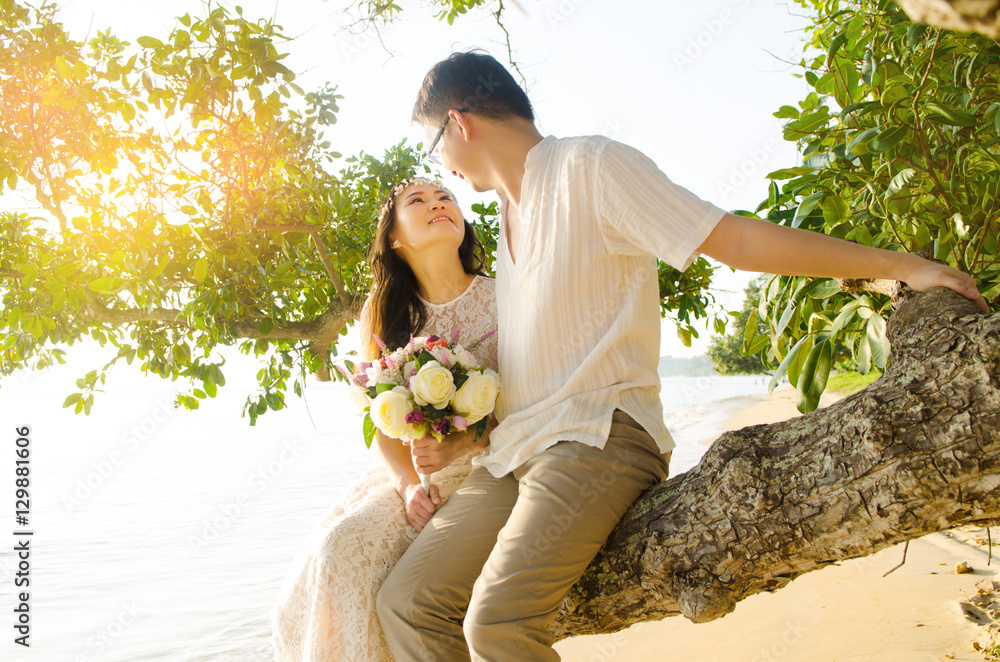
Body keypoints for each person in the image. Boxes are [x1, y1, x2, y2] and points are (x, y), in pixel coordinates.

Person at [375, 51, 990, 662]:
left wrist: (900, 266)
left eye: (434, 148)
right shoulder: (506, 217)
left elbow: (737, 239)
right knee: (406, 602)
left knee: (497, 626)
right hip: (516, 450)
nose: (441, 169)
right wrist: (462, 440)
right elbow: (535, 360)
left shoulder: (591, 166)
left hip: (598, 434)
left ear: (458, 124)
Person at [270, 176, 499, 661]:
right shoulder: (382, 309)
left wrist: (460, 445)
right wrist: (408, 485)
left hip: (489, 467)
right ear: (394, 237)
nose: (438, 204)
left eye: (447, 197)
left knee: (360, 563)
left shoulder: (504, 297)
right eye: (418, 201)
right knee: (335, 551)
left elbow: (527, 403)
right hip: (411, 474)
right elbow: (380, 415)